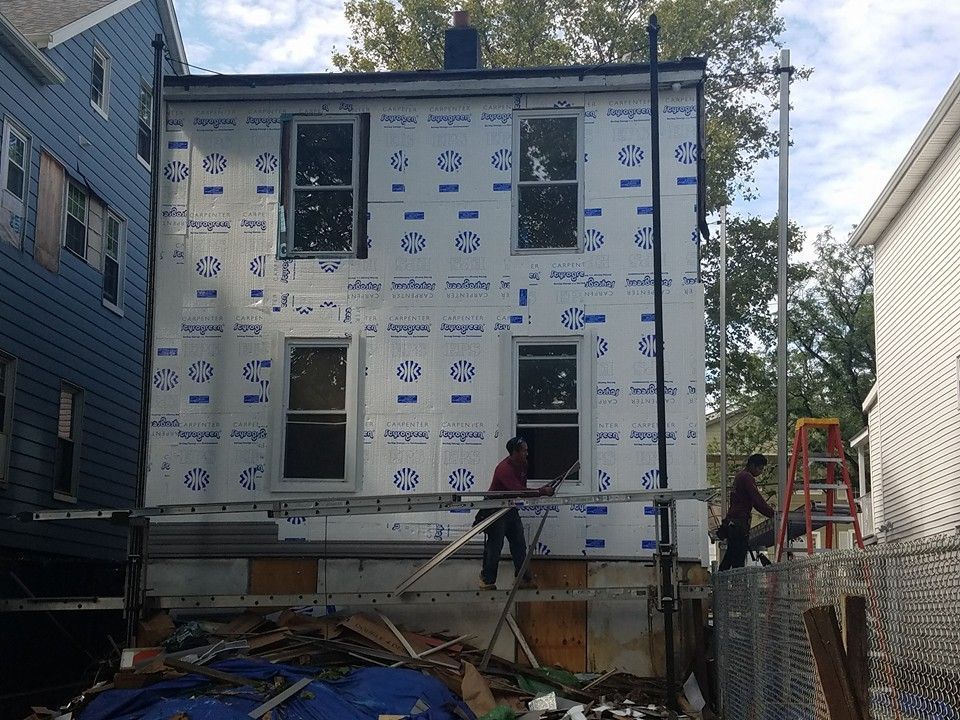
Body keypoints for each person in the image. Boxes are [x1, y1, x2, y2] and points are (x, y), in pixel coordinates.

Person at [478, 436, 555, 590]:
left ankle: (523, 579)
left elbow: (521, 487)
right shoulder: (504, 469)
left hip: (509, 506)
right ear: (514, 452)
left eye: (527, 450)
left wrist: (540, 490)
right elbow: (519, 491)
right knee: (495, 545)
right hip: (495, 508)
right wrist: (541, 492)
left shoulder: (523, 464)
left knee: (519, 543)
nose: (527, 453)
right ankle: (487, 580)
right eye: (524, 451)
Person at [718, 453, 775, 571]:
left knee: (731, 555)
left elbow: (755, 501)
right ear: (753, 465)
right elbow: (757, 499)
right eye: (760, 468)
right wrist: (773, 514)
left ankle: (720, 580)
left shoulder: (740, 477)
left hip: (732, 523)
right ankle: (737, 585)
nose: (761, 472)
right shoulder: (747, 477)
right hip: (739, 524)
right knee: (738, 558)